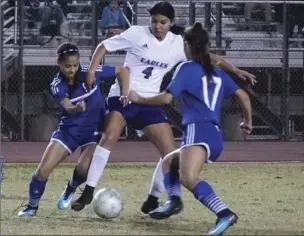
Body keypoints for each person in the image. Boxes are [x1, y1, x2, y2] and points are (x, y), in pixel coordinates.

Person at [70, 1, 256, 213]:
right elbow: (103, 46)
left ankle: (154, 199)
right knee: (111, 134)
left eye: (163, 22)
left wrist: (236, 70)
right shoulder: (136, 33)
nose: (158, 26)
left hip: (150, 101)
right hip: (124, 95)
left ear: (171, 23)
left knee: (169, 154)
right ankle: (89, 190)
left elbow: (211, 58)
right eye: (154, 21)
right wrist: (93, 71)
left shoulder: (178, 44)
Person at [128, 22, 252, 235]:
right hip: (214, 135)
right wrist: (248, 121)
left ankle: (224, 213)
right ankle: (174, 201)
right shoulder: (216, 72)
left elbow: (167, 98)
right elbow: (243, 95)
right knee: (169, 162)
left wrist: (140, 98)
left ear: (188, 45)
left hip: (198, 130)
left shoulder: (186, 68)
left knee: (189, 178)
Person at [18, 42, 130, 217]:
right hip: (68, 131)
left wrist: (125, 93)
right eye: (67, 66)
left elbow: (122, 71)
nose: (72, 69)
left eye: (75, 65)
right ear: (59, 64)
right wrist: (77, 109)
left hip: (92, 132)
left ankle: (71, 187)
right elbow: (67, 106)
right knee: (42, 170)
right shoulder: (57, 83)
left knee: (85, 169)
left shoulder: (89, 70)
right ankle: (31, 207)